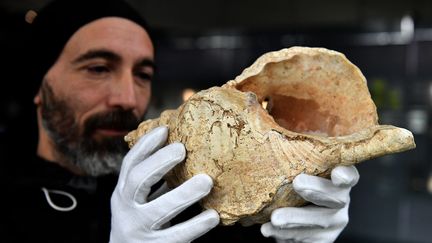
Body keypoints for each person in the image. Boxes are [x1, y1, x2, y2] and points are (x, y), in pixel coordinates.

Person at [1, 0, 359, 242]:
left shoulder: (186, 195)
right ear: (39, 84)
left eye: (142, 74)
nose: (127, 98)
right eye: (98, 69)